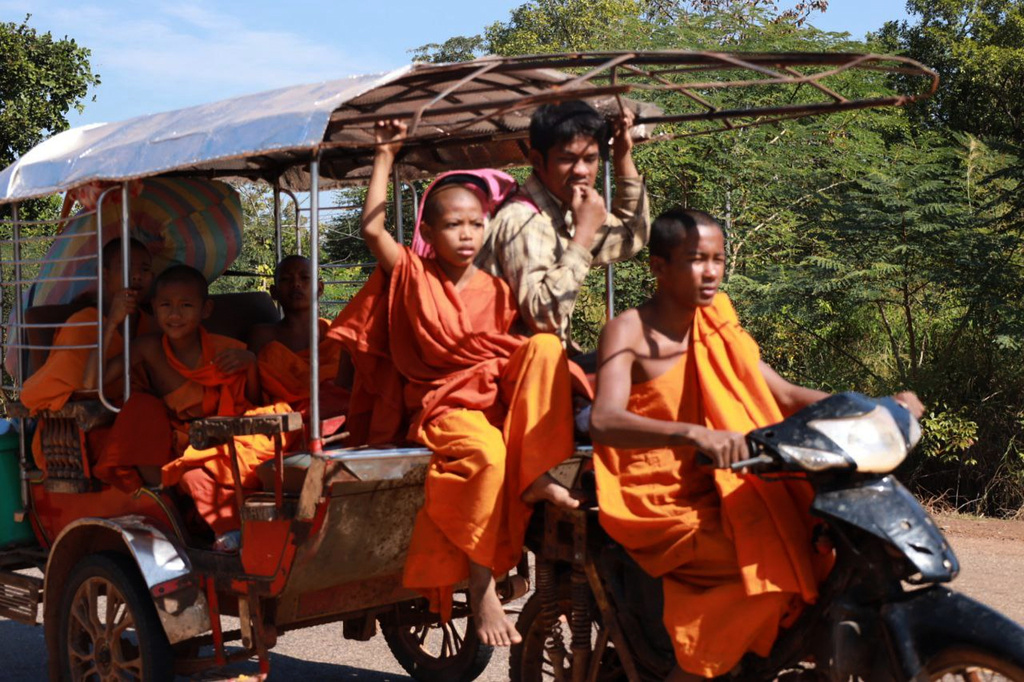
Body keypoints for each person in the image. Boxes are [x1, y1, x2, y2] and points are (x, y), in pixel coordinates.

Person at [588, 209, 925, 680]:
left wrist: (872, 407)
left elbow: (782, 393)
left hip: (735, 478)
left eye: (717, 259)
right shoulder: (629, 330)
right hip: (664, 498)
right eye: (695, 259)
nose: (709, 272)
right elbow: (604, 419)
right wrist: (691, 433)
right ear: (658, 267)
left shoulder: (718, 324)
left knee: (823, 545)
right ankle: (695, 670)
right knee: (764, 574)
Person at [329, 120, 583, 647]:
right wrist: (384, 153)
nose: (466, 234)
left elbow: (508, 352)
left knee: (544, 346)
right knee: (488, 456)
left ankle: (537, 470)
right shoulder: (412, 275)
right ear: (429, 231)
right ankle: (481, 584)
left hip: (497, 397)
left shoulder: (496, 287)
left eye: (475, 224)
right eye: (453, 225)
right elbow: (374, 232)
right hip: (447, 409)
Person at [131, 265, 293, 548]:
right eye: (166, 305)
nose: (175, 314)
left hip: (235, 435)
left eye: (186, 305)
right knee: (194, 475)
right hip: (190, 443)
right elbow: (95, 378)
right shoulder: (148, 347)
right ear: (154, 309)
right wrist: (113, 323)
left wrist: (251, 364)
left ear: (205, 310)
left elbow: (253, 402)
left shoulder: (227, 349)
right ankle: (231, 531)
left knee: (278, 454)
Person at [477, 100, 650, 349]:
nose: (581, 171)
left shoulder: (566, 212)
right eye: (567, 159)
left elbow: (632, 236)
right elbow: (542, 317)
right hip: (516, 372)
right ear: (537, 160)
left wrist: (622, 154)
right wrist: (584, 235)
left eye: (590, 159)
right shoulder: (523, 220)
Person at [21, 237, 156, 486]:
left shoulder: (151, 322)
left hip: (139, 418)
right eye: (127, 268)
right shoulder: (83, 323)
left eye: (145, 269)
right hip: (84, 434)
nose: (137, 276)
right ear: (103, 274)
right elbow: (89, 386)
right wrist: (112, 322)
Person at [248, 254, 349, 425]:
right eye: (286, 279)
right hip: (285, 416)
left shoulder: (333, 333)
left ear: (320, 288)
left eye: (305, 278)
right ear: (274, 292)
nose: (296, 284)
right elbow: (254, 393)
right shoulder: (263, 335)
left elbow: (345, 384)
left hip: (334, 411)